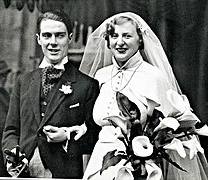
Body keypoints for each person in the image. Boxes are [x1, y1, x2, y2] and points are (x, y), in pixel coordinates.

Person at [79, 12, 208, 180]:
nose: (120, 42)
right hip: (100, 161)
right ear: (108, 41)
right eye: (114, 36)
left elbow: (169, 131)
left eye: (127, 36)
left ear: (140, 39)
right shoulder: (101, 76)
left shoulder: (153, 76)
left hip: (141, 166)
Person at [2, 9, 101, 178]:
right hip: (24, 173)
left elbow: (95, 137)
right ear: (38, 39)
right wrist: (13, 155)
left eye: (59, 35)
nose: (53, 42)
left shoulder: (87, 85)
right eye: (47, 35)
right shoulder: (23, 82)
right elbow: (11, 130)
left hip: (63, 173)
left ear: (69, 38)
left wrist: (67, 136)